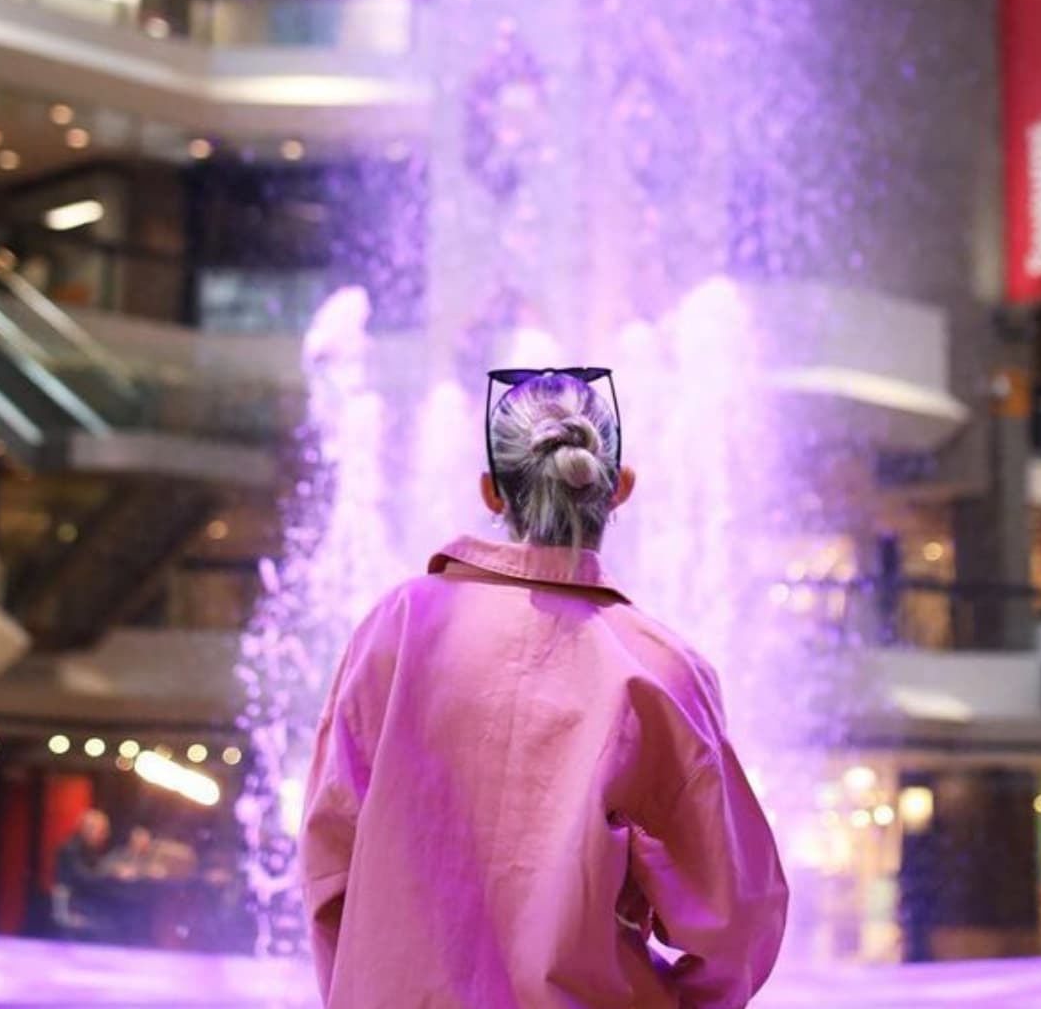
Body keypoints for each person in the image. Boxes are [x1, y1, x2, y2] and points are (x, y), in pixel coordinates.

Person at [302, 368, 788, 1008]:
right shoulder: (661, 671)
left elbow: (331, 864)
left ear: (493, 493)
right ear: (619, 488)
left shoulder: (399, 627)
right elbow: (735, 925)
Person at [51, 809, 115, 940]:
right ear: (87, 829)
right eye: (101, 831)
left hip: (83, 905)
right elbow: (82, 878)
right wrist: (111, 873)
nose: (105, 835)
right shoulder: (71, 848)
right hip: (72, 907)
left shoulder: (90, 848)